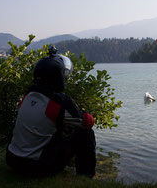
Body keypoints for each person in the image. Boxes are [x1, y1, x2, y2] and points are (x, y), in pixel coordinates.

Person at [6, 46, 96, 178]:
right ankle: (85, 177)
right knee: (85, 133)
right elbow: (88, 122)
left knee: (57, 127)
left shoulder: (28, 95)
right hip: (36, 167)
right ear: (59, 76)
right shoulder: (60, 102)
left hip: (12, 160)